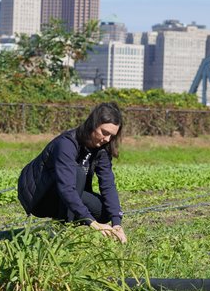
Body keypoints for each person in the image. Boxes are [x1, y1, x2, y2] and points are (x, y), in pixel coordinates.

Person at [17, 102, 127, 243]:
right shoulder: (67, 144)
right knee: (78, 173)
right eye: (104, 132)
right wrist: (92, 223)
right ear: (93, 124)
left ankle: (70, 219)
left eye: (112, 136)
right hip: (39, 196)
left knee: (105, 211)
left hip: (66, 192)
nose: (107, 139)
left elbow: (108, 184)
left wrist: (117, 222)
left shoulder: (102, 149)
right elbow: (66, 188)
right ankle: (62, 228)